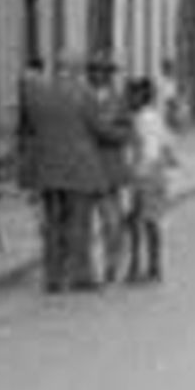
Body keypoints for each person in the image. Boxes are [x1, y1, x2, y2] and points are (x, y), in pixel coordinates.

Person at [18, 53, 111, 293]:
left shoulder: (40, 94)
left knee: (53, 225)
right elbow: (99, 129)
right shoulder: (85, 94)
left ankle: (53, 277)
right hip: (79, 169)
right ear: (76, 70)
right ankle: (80, 275)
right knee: (79, 224)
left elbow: (29, 128)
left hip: (48, 169)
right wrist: (122, 133)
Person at [124, 77, 176, 283]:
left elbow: (145, 149)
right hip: (155, 173)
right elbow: (168, 144)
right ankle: (152, 266)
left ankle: (140, 267)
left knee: (139, 222)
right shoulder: (154, 116)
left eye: (131, 95)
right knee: (148, 222)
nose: (127, 99)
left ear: (140, 97)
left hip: (145, 174)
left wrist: (137, 173)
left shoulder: (142, 119)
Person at [86, 62, 133, 284]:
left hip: (109, 167)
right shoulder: (81, 97)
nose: (97, 75)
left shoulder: (119, 101)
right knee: (82, 223)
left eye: (102, 72)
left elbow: (127, 132)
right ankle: (85, 269)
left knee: (111, 220)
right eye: (93, 71)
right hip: (83, 168)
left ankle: (111, 263)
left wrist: (106, 132)